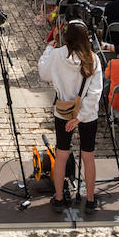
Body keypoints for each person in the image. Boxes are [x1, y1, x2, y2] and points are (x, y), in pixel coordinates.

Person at [39, 20, 105, 213]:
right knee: (88, 155)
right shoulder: (93, 59)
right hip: (87, 115)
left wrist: (48, 50)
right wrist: (81, 117)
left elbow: (43, 73)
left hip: (63, 110)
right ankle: (91, 199)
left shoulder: (58, 55)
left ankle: (59, 198)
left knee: (61, 154)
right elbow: (95, 93)